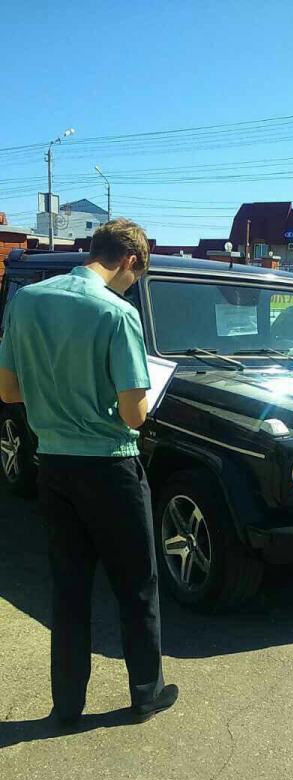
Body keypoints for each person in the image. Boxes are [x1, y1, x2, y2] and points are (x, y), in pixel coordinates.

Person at [0, 219, 178, 725]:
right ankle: (145, 694)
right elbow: (134, 415)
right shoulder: (117, 313)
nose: (132, 285)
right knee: (136, 586)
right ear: (130, 260)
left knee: (69, 589)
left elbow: (8, 391)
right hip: (111, 468)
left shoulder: (26, 301)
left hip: (53, 466)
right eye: (136, 276)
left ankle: (66, 705)